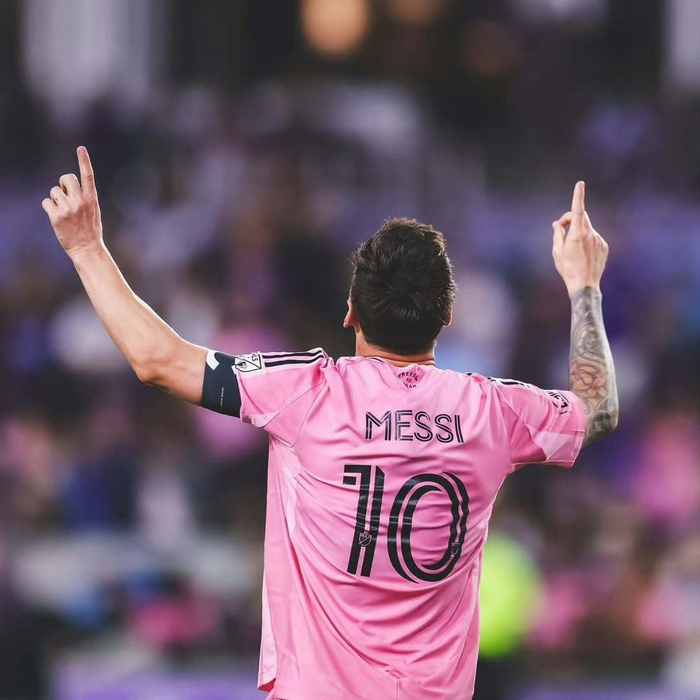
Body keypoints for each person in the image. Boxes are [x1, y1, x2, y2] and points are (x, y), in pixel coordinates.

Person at [42, 147, 618, 700]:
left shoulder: (305, 392)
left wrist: (87, 247)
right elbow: (597, 409)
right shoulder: (493, 411)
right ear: (446, 316)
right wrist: (584, 286)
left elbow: (158, 360)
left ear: (350, 313)